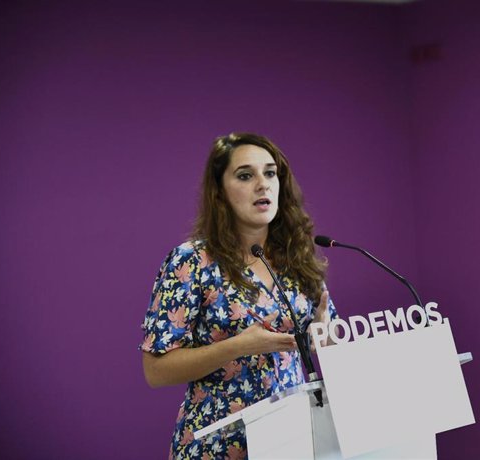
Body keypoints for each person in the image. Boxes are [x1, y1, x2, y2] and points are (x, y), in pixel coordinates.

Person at [139, 132, 337, 459]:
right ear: (220, 192)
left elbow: (329, 340)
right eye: (246, 175)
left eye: (270, 173)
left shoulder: (297, 257)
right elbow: (155, 370)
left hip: (294, 442)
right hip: (217, 445)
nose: (263, 184)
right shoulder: (191, 261)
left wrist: (323, 333)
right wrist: (239, 346)